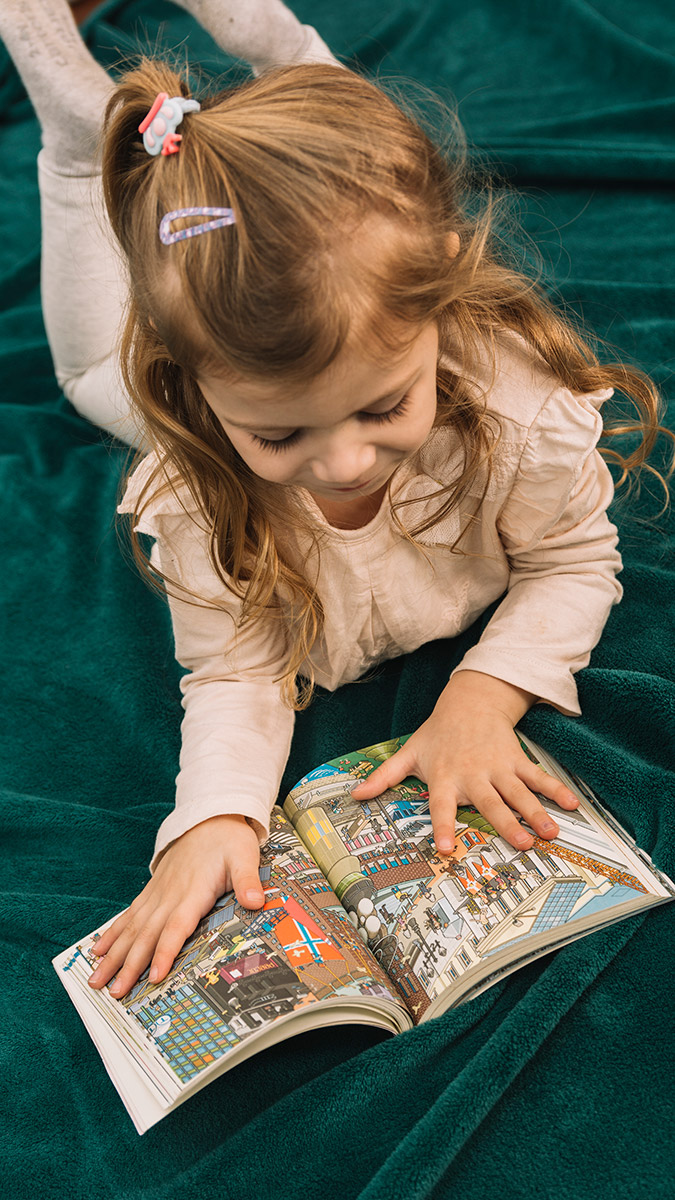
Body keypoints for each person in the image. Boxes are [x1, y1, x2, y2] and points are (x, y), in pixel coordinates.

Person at [1, 0, 668, 1001]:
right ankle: (72, 139)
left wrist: (486, 692)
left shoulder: (518, 409)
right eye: (280, 434)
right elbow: (236, 672)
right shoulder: (196, 474)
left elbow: (574, 561)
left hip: (337, 269)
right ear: (197, 394)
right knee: (90, 375)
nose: (345, 462)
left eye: (383, 405)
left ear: (439, 307)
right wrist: (219, 815)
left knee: (359, 172)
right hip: (161, 330)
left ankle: (281, 49)